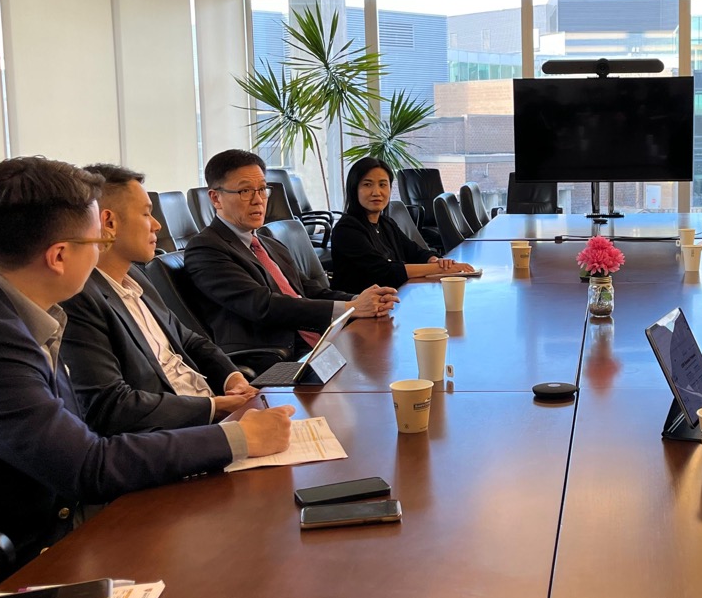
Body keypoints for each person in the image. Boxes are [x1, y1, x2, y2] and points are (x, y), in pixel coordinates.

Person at [0, 157, 293, 573]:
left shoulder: (19, 309)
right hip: (35, 554)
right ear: (58, 257)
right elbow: (86, 464)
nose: (99, 256)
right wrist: (239, 439)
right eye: (93, 243)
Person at [59, 165, 259, 435]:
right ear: (108, 223)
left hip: (215, 416)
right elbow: (111, 407)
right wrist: (213, 407)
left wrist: (231, 377)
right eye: (146, 213)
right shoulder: (80, 299)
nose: (157, 225)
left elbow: (187, 339)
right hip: (178, 435)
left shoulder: (137, 276)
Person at [185, 150, 399, 356]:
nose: (258, 199)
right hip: (276, 357)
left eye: (262, 189)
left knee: (393, 352)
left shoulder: (270, 244)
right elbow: (263, 305)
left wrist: (361, 300)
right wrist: (350, 307)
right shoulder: (206, 248)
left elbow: (310, 290)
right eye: (245, 191)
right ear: (215, 198)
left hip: (319, 345)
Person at [331, 158, 474, 292]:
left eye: (383, 184)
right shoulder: (346, 230)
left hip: (393, 300)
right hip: (361, 312)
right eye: (367, 184)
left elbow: (416, 252)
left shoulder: (386, 223)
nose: (377, 192)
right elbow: (385, 272)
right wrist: (437, 269)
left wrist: (436, 261)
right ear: (354, 189)